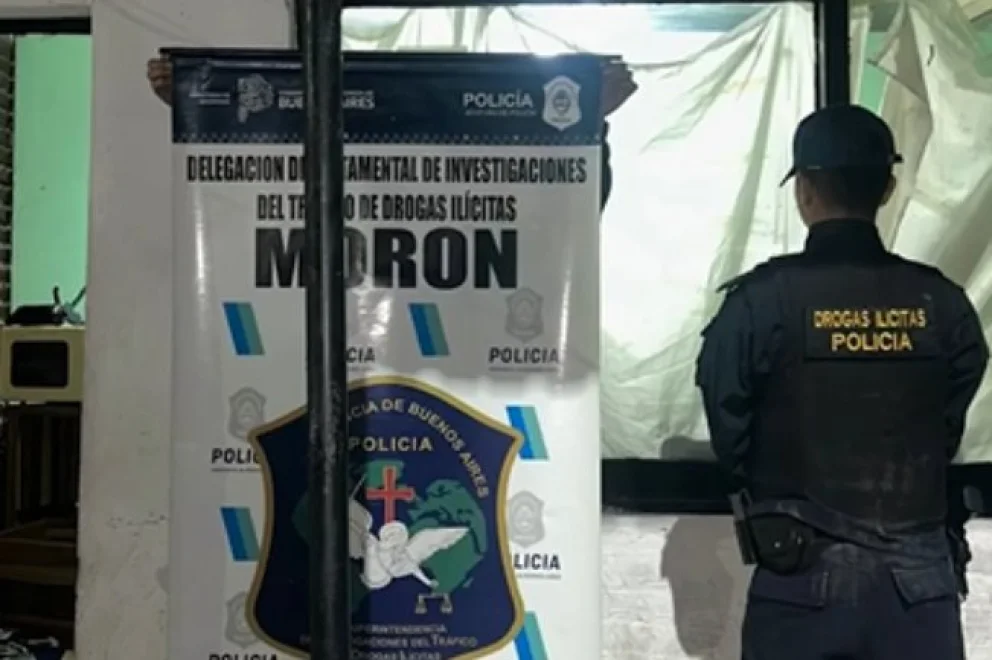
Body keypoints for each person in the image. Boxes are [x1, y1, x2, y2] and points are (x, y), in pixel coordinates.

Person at [695, 104, 989, 660]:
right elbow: (947, 420)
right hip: (920, 581)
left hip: (802, 575)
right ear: (887, 190)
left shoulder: (760, 302)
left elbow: (729, 428)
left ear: (804, 190)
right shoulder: (942, 303)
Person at [147, 54, 636, 210]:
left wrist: (593, 123)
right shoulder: (332, 175)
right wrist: (197, 108)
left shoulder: (486, 188)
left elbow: (561, 211)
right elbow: (247, 198)